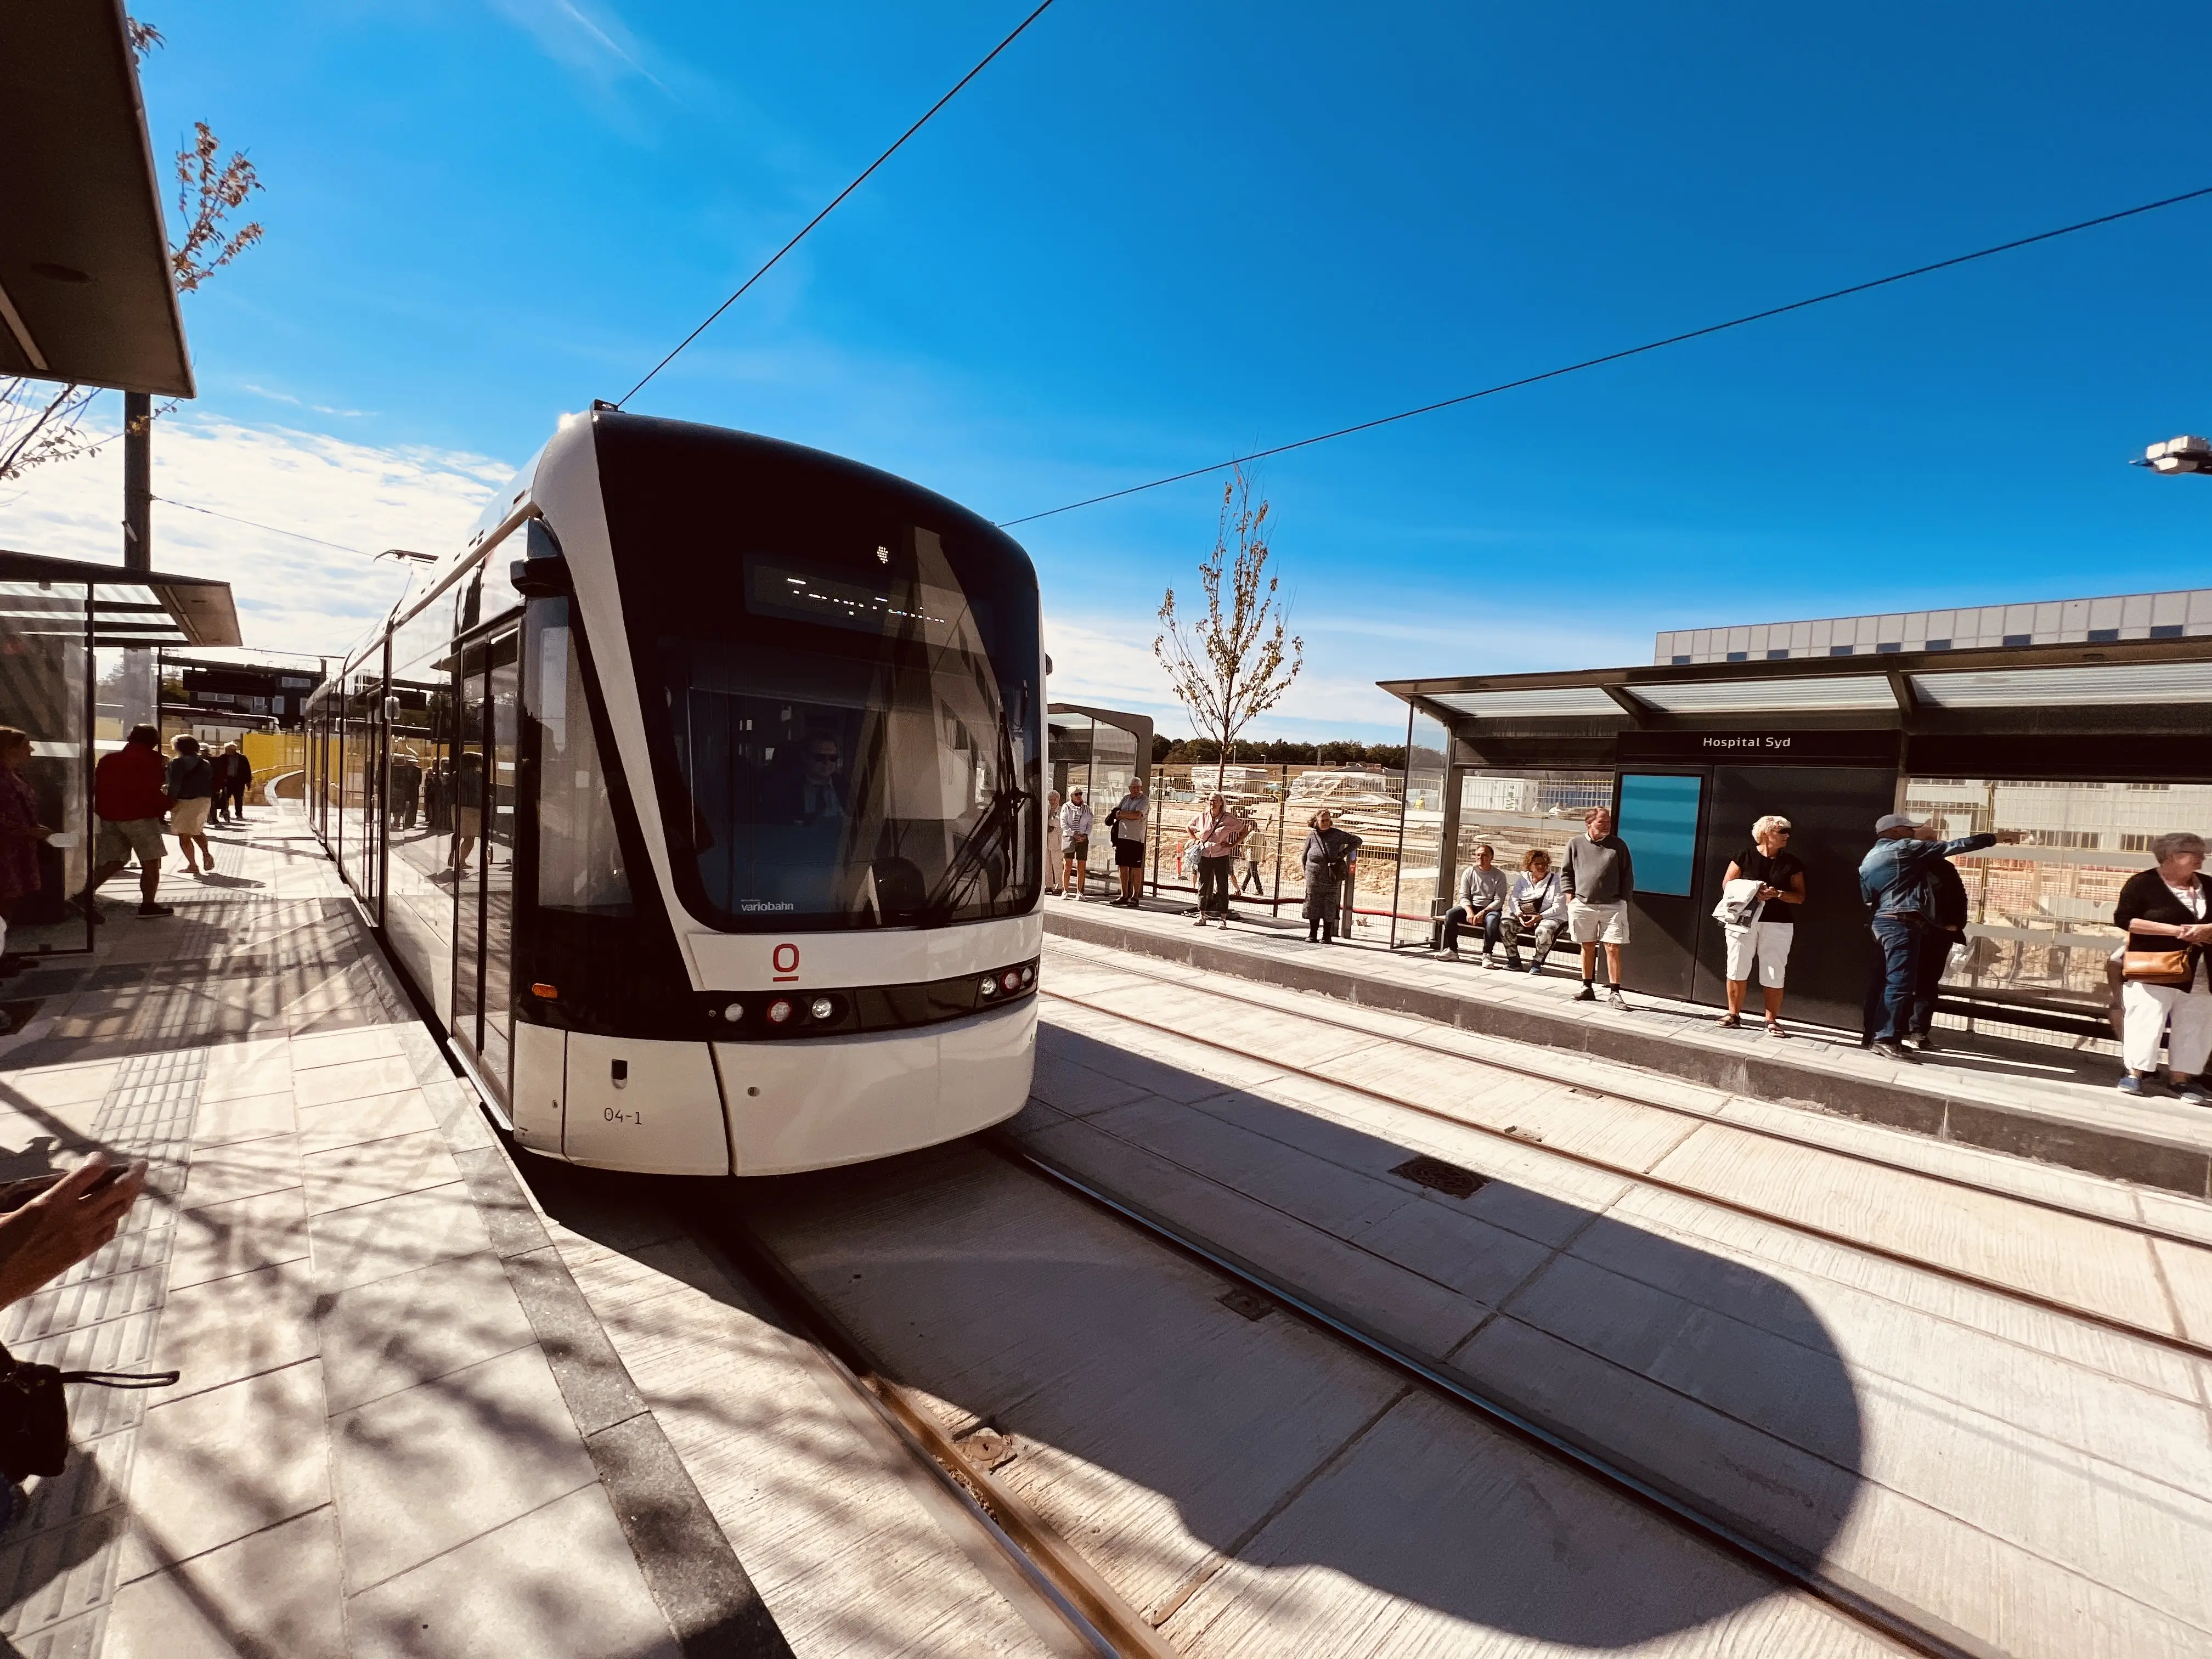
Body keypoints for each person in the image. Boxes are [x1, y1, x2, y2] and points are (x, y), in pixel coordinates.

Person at [1858, 813, 2016, 1062]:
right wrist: (1995, 837)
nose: (1914, 834)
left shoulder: (1869, 858)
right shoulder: (1903, 849)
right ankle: (1885, 1039)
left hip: (1883, 922)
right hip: (1902, 922)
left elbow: (1869, 897)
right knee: (1900, 984)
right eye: (1909, 830)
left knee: (1887, 982)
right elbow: (1956, 846)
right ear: (1896, 832)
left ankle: (1876, 1036)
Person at [2112, 832, 2212, 1102]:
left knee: (2196, 1023)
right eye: (2196, 852)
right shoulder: (2142, 883)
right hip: (2156, 966)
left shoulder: (2210, 885)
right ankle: (2134, 1074)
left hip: (2202, 970)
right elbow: (2125, 920)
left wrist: (2206, 929)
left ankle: (2181, 1080)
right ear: (2173, 856)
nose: (2203, 857)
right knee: (2146, 1018)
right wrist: (2177, 932)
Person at [1718, 815, 1807, 1035]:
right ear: (1767, 833)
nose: (1787, 835)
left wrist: (1778, 894)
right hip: (1743, 921)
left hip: (1778, 923)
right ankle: (1733, 1014)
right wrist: (1752, 890)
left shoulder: (1791, 862)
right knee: (1737, 966)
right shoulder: (1745, 856)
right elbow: (1727, 885)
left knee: (1774, 970)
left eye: (1788, 831)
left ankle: (1771, 1020)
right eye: (1782, 831)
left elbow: (1800, 897)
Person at [77, 725, 173, 920]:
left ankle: (84, 894)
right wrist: (170, 804)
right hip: (140, 816)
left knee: (115, 859)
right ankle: (148, 906)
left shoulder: (108, 760)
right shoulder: (153, 761)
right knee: (151, 860)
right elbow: (149, 792)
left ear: (130, 738)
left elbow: (96, 787)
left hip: (109, 815)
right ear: (154, 743)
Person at [1562, 806, 1634, 1008]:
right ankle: (1587, 987)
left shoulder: (1618, 845)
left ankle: (1615, 992)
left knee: (1613, 947)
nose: (1607, 826)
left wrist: (1624, 900)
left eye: (1609, 822)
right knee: (1587, 945)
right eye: (1602, 822)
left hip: (1613, 905)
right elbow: (1566, 872)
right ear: (1589, 823)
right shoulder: (1575, 843)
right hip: (1582, 904)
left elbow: (1627, 874)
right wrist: (1570, 899)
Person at [0, 727, 56, 981]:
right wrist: (26, 830)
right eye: (26, 745)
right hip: (5, 850)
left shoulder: (14, 774)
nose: (31, 751)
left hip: (18, 848)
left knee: (9, 902)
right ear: (8, 748)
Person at [1435, 843, 1510, 963]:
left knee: (1492, 920)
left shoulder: (1499, 875)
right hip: (1472, 907)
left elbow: (1499, 900)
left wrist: (1483, 912)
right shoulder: (1469, 872)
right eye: (1478, 855)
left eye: (1484, 855)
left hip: (1489, 910)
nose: (1480, 858)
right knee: (1451, 914)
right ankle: (1452, 950)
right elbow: (1463, 896)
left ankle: (1487, 954)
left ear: (1491, 857)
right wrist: (1470, 912)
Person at [1187, 792, 1249, 926]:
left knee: (1222, 886)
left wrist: (1233, 844)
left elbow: (1244, 831)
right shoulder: (1202, 817)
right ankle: (1202, 915)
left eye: (1215, 801)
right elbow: (1189, 827)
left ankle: (1223, 918)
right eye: (1210, 800)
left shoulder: (1228, 819)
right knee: (1203, 885)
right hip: (1205, 855)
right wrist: (1195, 840)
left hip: (1221, 855)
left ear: (1222, 803)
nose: (1212, 803)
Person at [1501, 848, 1567, 972]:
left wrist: (1540, 917)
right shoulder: (1523, 878)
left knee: (1545, 930)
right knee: (1504, 923)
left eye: (1544, 864)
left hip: (1550, 916)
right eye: (1537, 864)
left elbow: (1559, 907)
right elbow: (1514, 898)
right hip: (1526, 916)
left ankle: (1537, 962)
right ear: (1530, 865)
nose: (1541, 867)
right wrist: (1519, 914)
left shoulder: (1556, 880)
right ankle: (1513, 960)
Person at [1301, 809, 1362, 943]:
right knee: (1313, 904)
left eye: (1328, 820)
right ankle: (1313, 934)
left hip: (1331, 877)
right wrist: (1307, 873)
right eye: (1323, 820)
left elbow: (1357, 840)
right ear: (1316, 821)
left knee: (1329, 904)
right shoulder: (1312, 836)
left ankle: (1327, 935)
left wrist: (1342, 854)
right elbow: (1305, 857)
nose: (1326, 823)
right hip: (1313, 878)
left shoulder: (1337, 835)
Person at [165, 735, 215, 876]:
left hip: (185, 801)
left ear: (178, 747)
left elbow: (174, 784)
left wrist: (170, 800)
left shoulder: (177, 763)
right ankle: (206, 854)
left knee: (184, 834)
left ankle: (193, 865)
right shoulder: (205, 763)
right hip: (204, 800)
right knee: (197, 830)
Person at [1106, 775, 1149, 908]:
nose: (1135, 789)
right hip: (1122, 838)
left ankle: (1135, 896)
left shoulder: (1145, 800)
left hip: (1136, 839)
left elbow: (1137, 815)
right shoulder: (1125, 798)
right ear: (1129, 788)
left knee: (1136, 868)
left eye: (1138, 787)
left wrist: (1122, 815)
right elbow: (1116, 812)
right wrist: (1123, 814)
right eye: (1133, 787)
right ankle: (1124, 895)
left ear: (1141, 787)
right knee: (1122, 867)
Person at [1059, 788, 1093, 899]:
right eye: (1076, 794)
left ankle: (1080, 892)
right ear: (1071, 796)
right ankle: (1066, 890)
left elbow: (1090, 824)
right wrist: (1073, 834)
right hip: (1069, 838)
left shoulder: (1086, 808)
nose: (1079, 796)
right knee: (1067, 866)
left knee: (1081, 866)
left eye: (1080, 794)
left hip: (1082, 839)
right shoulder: (1066, 807)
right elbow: (1063, 824)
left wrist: (1085, 835)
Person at [211, 741, 252, 825]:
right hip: (227, 781)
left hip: (239, 781)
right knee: (225, 798)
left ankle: (239, 814)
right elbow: (218, 770)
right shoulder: (222, 758)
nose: (227, 751)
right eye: (227, 749)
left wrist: (248, 782)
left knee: (239, 798)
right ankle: (223, 812)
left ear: (234, 750)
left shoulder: (242, 758)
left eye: (229, 750)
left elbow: (247, 770)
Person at [387, 746, 421, 831]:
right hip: (400, 791)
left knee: (399, 806)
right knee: (399, 806)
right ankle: (397, 820)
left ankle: (399, 821)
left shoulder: (396, 769)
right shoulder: (402, 769)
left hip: (400, 791)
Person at [1044, 790, 1064, 894]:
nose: (1052, 801)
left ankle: (1060, 885)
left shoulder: (1061, 810)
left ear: (1058, 799)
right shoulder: (1047, 808)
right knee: (1047, 864)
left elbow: (1058, 822)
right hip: (1046, 840)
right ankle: (1049, 885)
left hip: (1056, 841)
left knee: (1057, 864)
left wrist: (1048, 820)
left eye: (1054, 799)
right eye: (1050, 799)